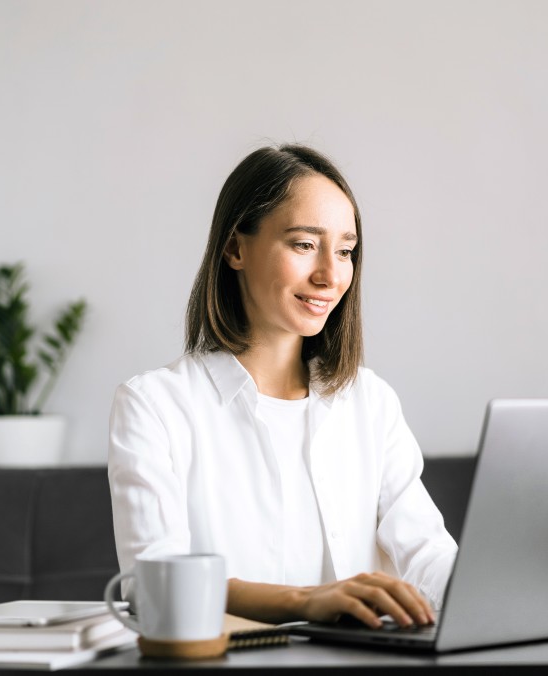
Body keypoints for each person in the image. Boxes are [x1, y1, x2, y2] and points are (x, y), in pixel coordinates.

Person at [108, 143, 457, 630]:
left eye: (345, 251)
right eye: (303, 244)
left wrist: (500, 596)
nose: (330, 276)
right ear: (235, 248)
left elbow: (429, 556)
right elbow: (154, 587)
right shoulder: (155, 405)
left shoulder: (369, 402)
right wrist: (305, 601)